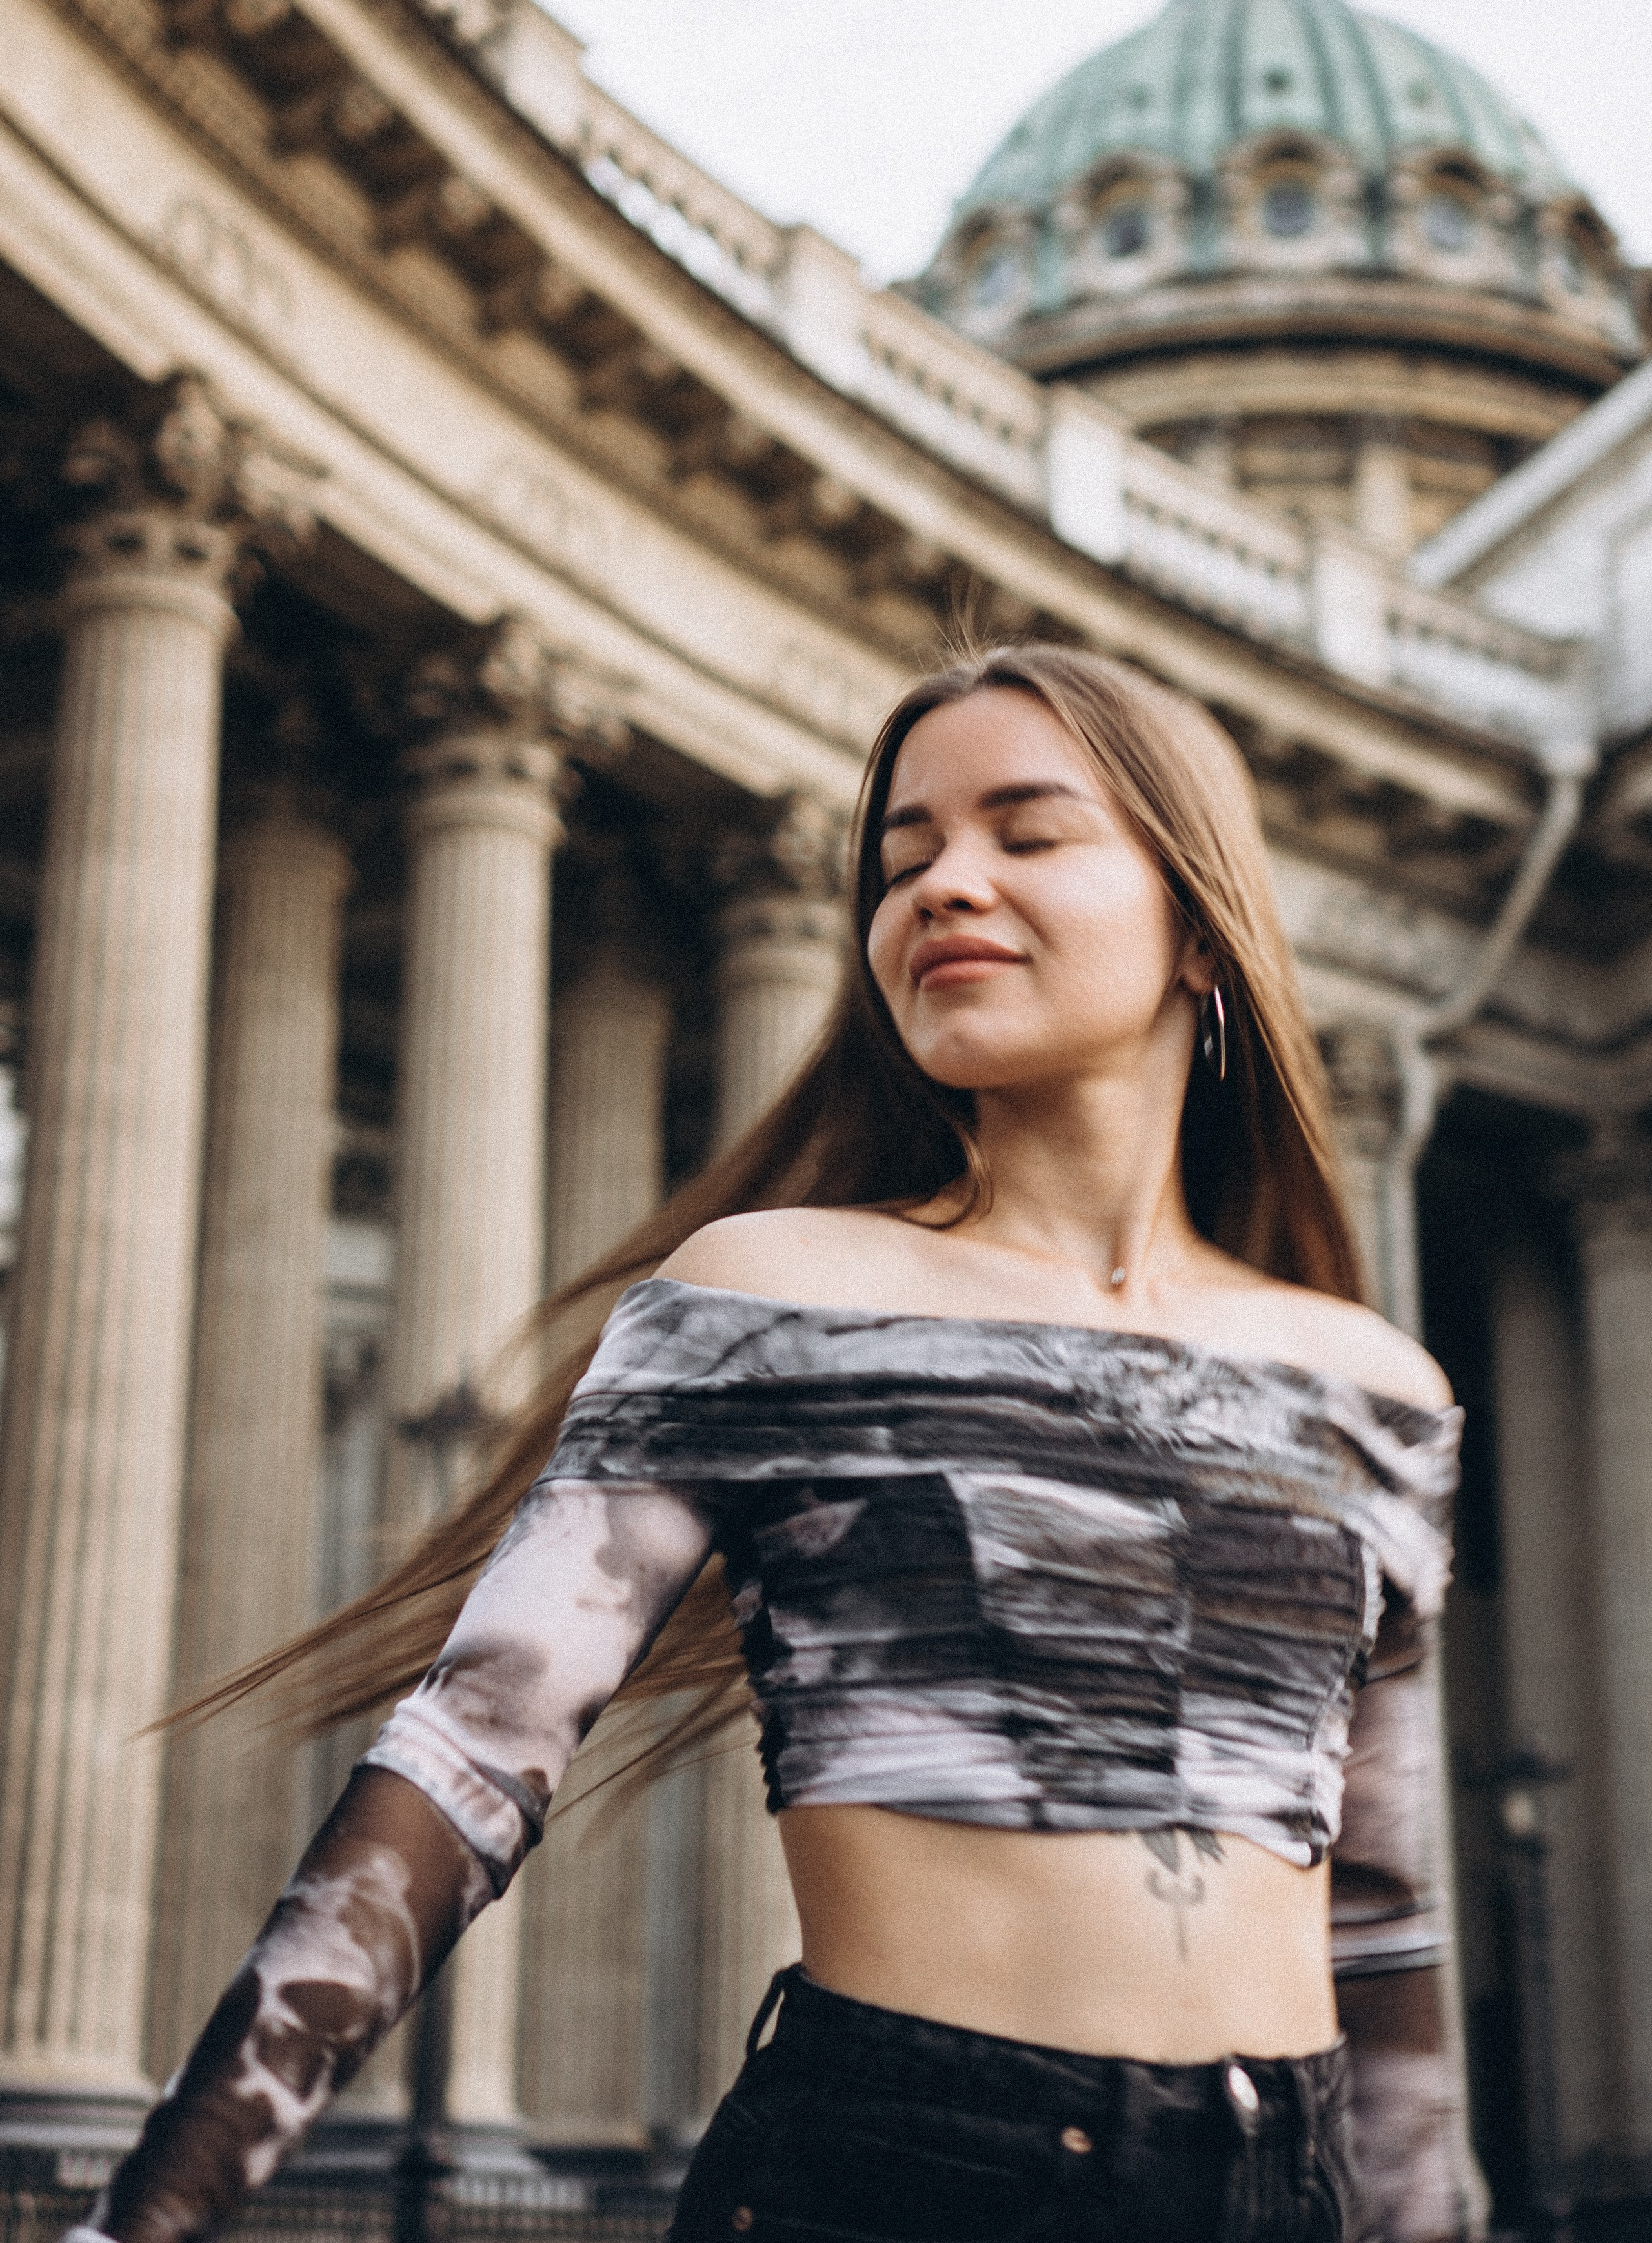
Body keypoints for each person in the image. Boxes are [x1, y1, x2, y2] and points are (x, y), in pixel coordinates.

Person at [74, 647, 1475, 2243]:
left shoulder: (1375, 1387)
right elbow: (470, 1759)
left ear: (1199, 930)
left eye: (1026, 834)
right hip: (904, 2172)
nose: (944, 886)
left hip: (1273, 2187)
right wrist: (154, 2217)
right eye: (901, 860)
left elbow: (1378, 1925)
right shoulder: (770, 1290)